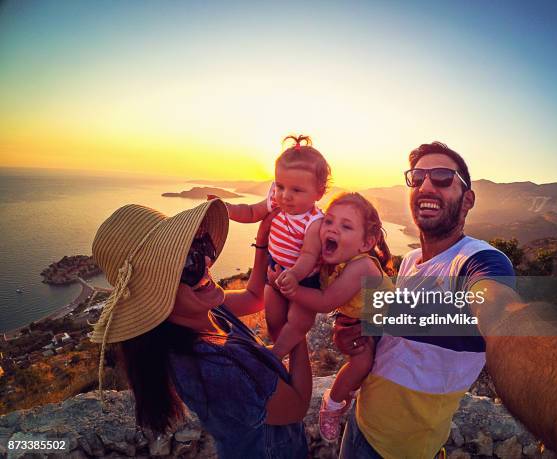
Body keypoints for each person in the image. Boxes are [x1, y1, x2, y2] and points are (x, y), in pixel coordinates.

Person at [334, 142, 557, 458]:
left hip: (401, 446)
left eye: (441, 177)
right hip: (363, 420)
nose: (426, 185)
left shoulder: (479, 260)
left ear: (468, 200)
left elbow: (495, 309)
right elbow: (403, 332)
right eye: (417, 177)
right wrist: (362, 333)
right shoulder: (410, 260)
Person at [90, 199, 311, 458]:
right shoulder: (213, 366)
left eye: (200, 245)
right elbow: (297, 406)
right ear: (156, 294)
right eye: (188, 263)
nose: (206, 260)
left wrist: (262, 240)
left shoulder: (204, 311)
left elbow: (254, 296)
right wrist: (298, 329)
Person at [276, 192, 394, 443]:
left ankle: (347, 393)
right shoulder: (331, 256)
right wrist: (283, 274)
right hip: (357, 322)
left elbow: (326, 301)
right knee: (361, 364)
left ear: (365, 243)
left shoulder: (362, 266)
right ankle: (332, 405)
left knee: (377, 369)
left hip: (386, 322)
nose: (332, 229)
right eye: (328, 221)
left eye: (346, 226)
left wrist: (293, 290)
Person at [217, 135, 331, 358]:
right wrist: (226, 209)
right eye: (280, 186)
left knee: (299, 322)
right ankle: (281, 349)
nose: (285, 196)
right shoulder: (276, 200)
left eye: (297, 190)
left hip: (304, 280)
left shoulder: (314, 221)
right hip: (273, 273)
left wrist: (294, 275)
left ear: (318, 192)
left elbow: (309, 255)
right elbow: (251, 212)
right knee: (273, 319)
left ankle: (276, 354)